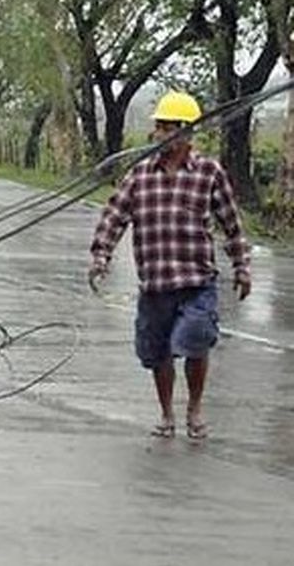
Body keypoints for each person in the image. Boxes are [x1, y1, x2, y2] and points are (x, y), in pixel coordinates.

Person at [88, 90, 250, 441]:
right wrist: (101, 256)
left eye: (166, 127)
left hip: (196, 281)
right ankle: (166, 414)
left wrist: (242, 266)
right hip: (155, 283)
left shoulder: (209, 172)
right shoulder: (140, 175)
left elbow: (231, 223)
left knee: (194, 340)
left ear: (185, 131)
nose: (159, 134)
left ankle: (194, 408)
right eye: (158, 127)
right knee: (157, 351)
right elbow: (114, 215)